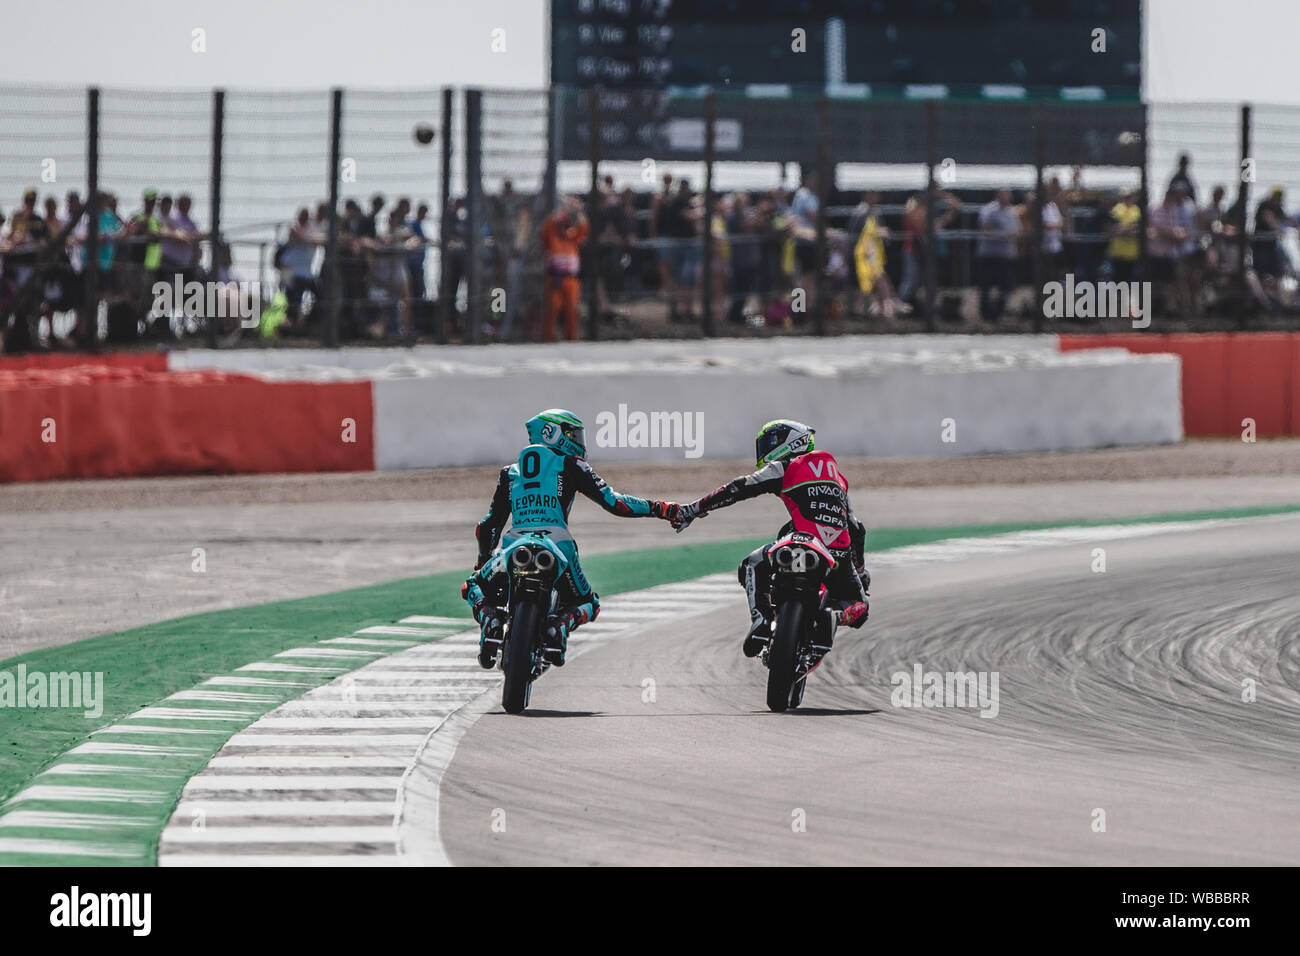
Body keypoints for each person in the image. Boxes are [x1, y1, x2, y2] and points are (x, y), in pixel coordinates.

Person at [461, 409, 683, 669]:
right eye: (573, 434)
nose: (578, 441)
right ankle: (559, 628)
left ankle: (491, 622)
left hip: (514, 545)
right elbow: (616, 503)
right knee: (589, 603)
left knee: (472, 586)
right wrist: (660, 508)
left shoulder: (509, 473)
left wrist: (483, 560)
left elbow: (489, 526)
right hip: (558, 546)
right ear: (552, 433)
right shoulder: (571, 465)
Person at [667, 420, 871, 662]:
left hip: (802, 542)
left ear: (793, 442)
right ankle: (834, 615)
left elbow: (738, 488)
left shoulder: (785, 466)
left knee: (752, 564)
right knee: (860, 606)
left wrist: (693, 510)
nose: (766, 449)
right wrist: (860, 570)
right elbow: (856, 528)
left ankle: (761, 619)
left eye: (772, 442)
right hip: (837, 556)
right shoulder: (838, 478)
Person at [540, 196, 589, 341]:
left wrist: (578, 210)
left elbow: (584, 227)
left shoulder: (573, 237)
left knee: (572, 310)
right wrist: (561, 209)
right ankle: (549, 338)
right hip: (555, 278)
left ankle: (571, 338)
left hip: (571, 279)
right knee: (553, 308)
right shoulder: (552, 235)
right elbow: (547, 226)